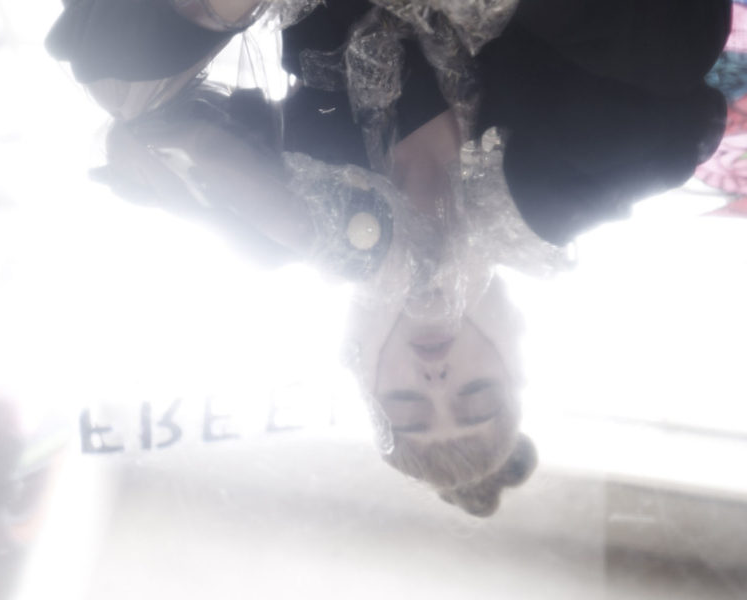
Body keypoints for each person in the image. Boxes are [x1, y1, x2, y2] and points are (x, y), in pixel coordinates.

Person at [45, 0, 730, 516]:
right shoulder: (552, 202)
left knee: (121, 79)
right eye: (475, 393)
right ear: (515, 350)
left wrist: (301, 225)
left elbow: (126, 120)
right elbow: (679, 94)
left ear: (359, 363)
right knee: (669, 48)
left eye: (406, 401)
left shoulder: (290, 228)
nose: (436, 377)